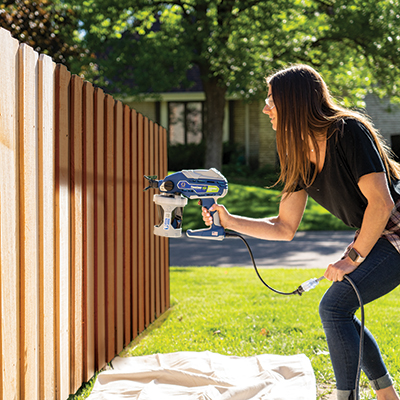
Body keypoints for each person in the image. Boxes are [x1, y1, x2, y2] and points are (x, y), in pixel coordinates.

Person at [201, 64, 400, 400]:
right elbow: (284, 227)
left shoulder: (347, 131)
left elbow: (381, 204)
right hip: (377, 231)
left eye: (271, 100)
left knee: (334, 307)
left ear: (294, 101)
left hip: (394, 226)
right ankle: (386, 395)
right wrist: (230, 220)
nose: (265, 108)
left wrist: (352, 258)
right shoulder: (297, 153)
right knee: (339, 308)